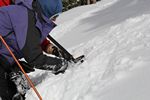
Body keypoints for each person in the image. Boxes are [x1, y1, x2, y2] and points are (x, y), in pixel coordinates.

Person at [0, 0, 68, 99]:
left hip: (5, 53)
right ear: (46, 12)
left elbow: (31, 38)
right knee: (8, 92)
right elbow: (34, 57)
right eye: (54, 17)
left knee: (11, 79)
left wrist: (51, 49)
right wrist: (58, 64)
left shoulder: (28, 13)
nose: (55, 20)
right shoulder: (25, 16)